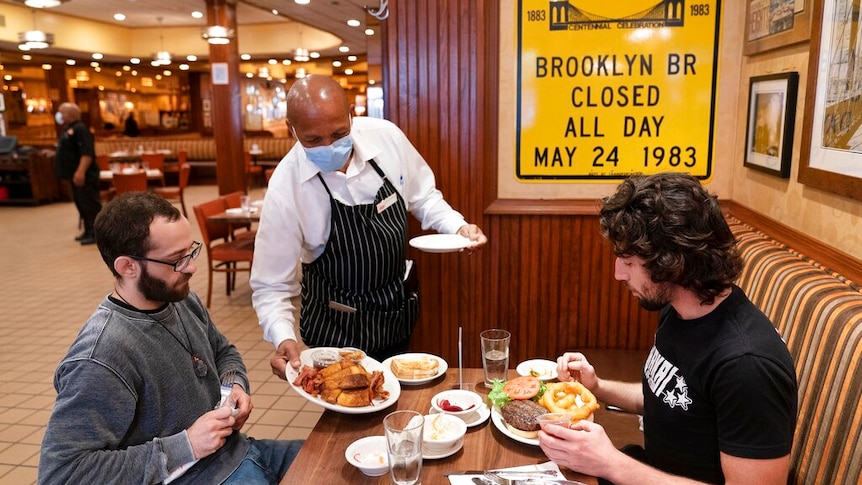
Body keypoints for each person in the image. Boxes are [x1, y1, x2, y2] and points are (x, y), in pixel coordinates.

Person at [539, 173, 797, 485]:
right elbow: (672, 400)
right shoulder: (679, 308)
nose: (618, 273)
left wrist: (611, 463)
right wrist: (597, 387)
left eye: (629, 261)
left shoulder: (747, 366)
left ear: (673, 262)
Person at [39, 192, 303, 485]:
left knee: (339, 461)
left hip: (240, 453)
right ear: (127, 266)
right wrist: (186, 445)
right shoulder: (102, 357)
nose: (191, 267)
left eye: (191, 252)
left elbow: (223, 351)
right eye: (176, 260)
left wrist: (233, 385)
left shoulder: (178, 299)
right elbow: (62, 472)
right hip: (195, 477)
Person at [250, 75, 488, 378]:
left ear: (352, 114)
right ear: (291, 130)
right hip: (333, 332)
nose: (330, 146)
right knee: (347, 411)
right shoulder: (286, 186)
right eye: (313, 140)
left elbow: (423, 196)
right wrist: (283, 336)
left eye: (339, 133)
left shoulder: (386, 137)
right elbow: (271, 285)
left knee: (396, 405)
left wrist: (457, 227)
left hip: (393, 315)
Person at [54, 102, 101, 245]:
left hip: (84, 176)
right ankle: (88, 230)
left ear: (69, 114)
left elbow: (87, 153)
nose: (59, 115)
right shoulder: (68, 129)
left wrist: (81, 171)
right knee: (81, 204)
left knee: (90, 205)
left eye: (61, 112)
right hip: (73, 176)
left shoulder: (80, 129)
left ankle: (96, 234)